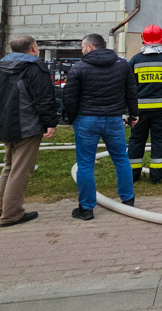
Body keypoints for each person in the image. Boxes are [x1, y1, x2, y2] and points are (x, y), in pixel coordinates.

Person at [63, 33, 139, 220]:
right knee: (121, 158)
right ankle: (128, 200)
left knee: (86, 164)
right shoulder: (122, 65)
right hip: (114, 119)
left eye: (82, 46)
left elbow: (69, 98)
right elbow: (131, 91)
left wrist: (72, 119)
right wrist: (133, 114)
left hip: (87, 120)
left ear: (90, 47)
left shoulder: (79, 68)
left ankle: (86, 209)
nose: (82, 50)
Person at [0, 35, 58, 228]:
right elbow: (44, 98)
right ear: (34, 47)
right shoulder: (35, 68)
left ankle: (0, 208)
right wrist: (50, 122)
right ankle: (12, 214)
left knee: (9, 166)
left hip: (3, 123)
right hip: (27, 126)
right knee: (20, 171)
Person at [127, 24, 162, 184]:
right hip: (161, 109)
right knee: (160, 140)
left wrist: (129, 108)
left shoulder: (135, 61)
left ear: (143, 40)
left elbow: (129, 87)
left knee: (137, 139)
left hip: (139, 110)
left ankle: (133, 174)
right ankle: (156, 176)